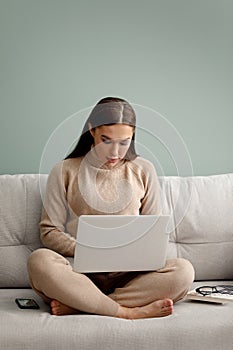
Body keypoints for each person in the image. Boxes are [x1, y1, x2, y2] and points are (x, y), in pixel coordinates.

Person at [28, 97, 194, 319]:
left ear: (133, 137)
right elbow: (49, 231)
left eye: (124, 143)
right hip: (80, 273)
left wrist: (128, 253)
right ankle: (125, 311)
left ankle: (83, 305)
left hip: (130, 275)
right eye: (106, 140)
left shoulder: (144, 169)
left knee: (183, 271)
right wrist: (91, 250)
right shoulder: (64, 170)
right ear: (92, 130)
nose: (114, 152)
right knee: (39, 261)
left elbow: (154, 231)